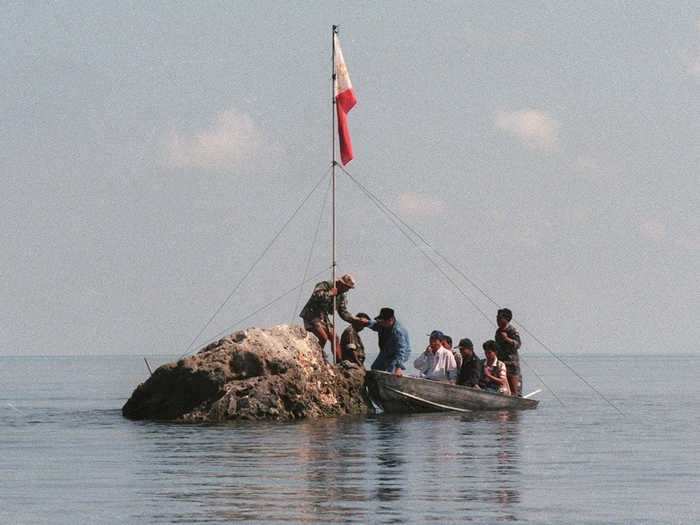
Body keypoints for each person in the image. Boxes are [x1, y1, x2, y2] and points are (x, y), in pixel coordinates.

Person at [299, 273, 365, 360]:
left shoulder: (341, 296)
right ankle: (315, 356)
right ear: (341, 283)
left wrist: (356, 320)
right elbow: (316, 295)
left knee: (335, 338)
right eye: (346, 287)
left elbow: (343, 313)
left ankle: (339, 362)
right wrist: (330, 293)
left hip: (323, 317)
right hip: (312, 314)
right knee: (323, 338)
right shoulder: (326, 285)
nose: (347, 290)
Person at [368, 307, 411, 375]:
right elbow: (374, 325)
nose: (381, 323)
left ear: (391, 320)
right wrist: (365, 322)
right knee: (375, 368)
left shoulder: (398, 331)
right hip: (387, 351)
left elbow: (401, 350)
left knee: (389, 372)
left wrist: (398, 367)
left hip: (398, 354)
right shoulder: (383, 325)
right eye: (381, 321)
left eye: (383, 321)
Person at [494, 308, 522, 396]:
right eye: (497, 318)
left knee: (514, 391)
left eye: (499, 318)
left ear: (506, 319)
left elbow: (518, 344)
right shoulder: (498, 332)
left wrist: (507, 339)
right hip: (501, 363)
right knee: (503, 389)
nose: (497, 320)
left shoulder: (512, 330)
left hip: (511, 364)